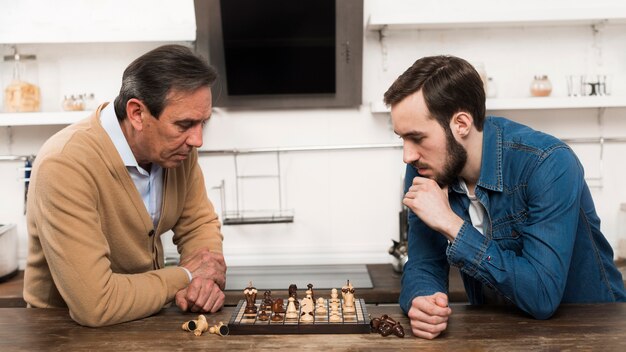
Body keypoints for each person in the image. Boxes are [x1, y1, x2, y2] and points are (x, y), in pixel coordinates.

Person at [384, 55, 626, 339]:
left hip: (591, 333)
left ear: (461, 123)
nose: (408, 155)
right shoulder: (425, 169)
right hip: (498, 334)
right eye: (402, 139)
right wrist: (421, 301)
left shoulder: (548, 163)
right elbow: (424, 263)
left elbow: (541, 295)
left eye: (418, 138)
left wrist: (451, 225)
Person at [24, 45, 227, 327]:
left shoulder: (177, 151)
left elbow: (197, 224)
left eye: (203, 123)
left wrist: (204, 278)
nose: (197, 140)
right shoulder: (64, 164)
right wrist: (186, 276)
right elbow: (95, 305)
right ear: (136, 113)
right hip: (61, 334)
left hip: (143, 320)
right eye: (184, 124)